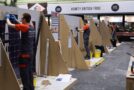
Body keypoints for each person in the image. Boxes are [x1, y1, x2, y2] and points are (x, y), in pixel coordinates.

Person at [6, 13, 35, 90]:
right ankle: (31, 88)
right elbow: (22, 25)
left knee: (24, 74)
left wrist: (7, 18)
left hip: (24, 56)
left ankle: (26, 88)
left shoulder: (24, 27)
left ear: (25, 19)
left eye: (22, 18)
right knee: (29, 73)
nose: (21, 20)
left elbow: (9, 24)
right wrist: (15, 20)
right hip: (30, 54)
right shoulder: (31, 27)